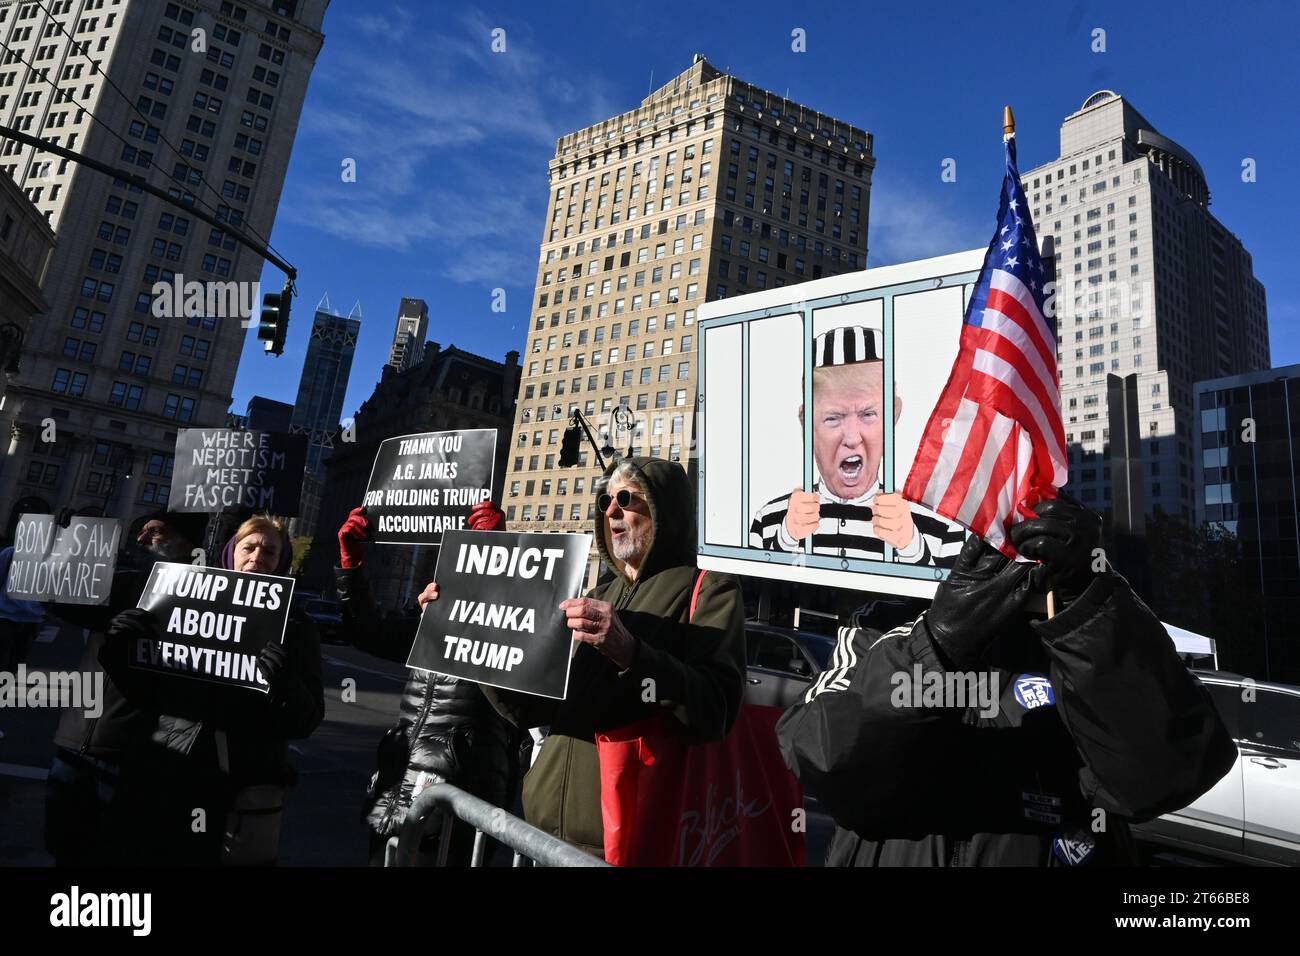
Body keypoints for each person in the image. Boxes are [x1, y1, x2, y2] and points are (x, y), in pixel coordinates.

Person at [776, 493, 1237, 866]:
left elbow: (1168, 773)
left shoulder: (1069, 630)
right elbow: (821, 756)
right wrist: (934, 646)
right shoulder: (875, 628)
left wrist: (1085, 596)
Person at [419, 457, 748, 857]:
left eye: (627, 498)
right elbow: (532, 708)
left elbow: (716, 709)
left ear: (667, 510)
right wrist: (465, 632)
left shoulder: (710, 590)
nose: (611, 510)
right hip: (543, 833)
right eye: (605, 500)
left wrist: (631, 652)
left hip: (626, 840)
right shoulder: (598, 596)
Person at [96, 514, 323, 865]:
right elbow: (144, 693)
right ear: (231, 552)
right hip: (163, 770)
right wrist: (119, 649)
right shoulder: (181, 601)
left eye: (269, 552)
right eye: (249, 547)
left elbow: (305, 721)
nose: (257, 557)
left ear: (281, 563)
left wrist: (284, 683)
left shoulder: (296, 626)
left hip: (238, 787)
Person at [333, 500, 520, 866]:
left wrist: (499, 551)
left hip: (456, 805)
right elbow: (369, 632)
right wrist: (351, 564)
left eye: (484, 560)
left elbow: (525, 700)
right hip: (397, 794)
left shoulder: (513, 630)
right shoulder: (433, 617)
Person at [43, 509, 208, 866]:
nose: (141, 539)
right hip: (74, 742)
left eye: (155, 532)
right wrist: (62, 547)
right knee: (65, 849)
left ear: (186, 542)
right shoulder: (122, 584)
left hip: (134, 756)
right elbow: (56, 599)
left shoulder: (203, 600)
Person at [750, 325, 965, 566]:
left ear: (892, 417)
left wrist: (912, 547)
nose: (852, 438)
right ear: (806, 424)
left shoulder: (942, 529)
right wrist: (785, 539)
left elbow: (953, 601)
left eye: (867, 414)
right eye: (833, 417)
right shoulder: (770, 522)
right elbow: (754, 594)